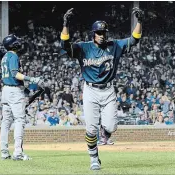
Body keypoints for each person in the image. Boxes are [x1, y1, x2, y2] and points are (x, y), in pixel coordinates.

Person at [60, 7, 144, 170]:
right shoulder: (84, 47)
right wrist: (65, 25)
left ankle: (105, 135)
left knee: (111, 127)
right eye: (99, 32)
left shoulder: (115, 45)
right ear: (93, 34)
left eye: (104, 32)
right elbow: (65, 45)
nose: (102, 35)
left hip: (108, 90)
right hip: (90, 90)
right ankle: (94, 158)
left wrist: (140, 22)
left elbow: (134, 39)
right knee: (91, 129)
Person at [0, 34, 42, 160]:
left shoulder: (5, 57)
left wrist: (28, 90)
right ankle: (18, 152)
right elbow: (14, 74)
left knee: (6, 122)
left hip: (6, 91)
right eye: (16, 42)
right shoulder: (13, 55)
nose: (18, 43)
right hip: (14, 91)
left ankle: (4, 151)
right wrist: (31, 79)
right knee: (19, 120)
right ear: (12, 45)